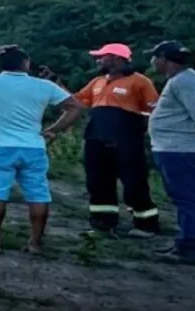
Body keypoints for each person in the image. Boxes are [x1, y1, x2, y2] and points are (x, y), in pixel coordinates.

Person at [0, 45, 86, 254]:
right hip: (33, 147)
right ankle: (35, 244)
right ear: (26, 64)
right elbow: (75, 106)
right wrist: (54, 130)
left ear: (0, 64)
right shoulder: (43, 86)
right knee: (38, 195)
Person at [41, 43, 161, 238]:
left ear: (118, 59)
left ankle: (146, 224)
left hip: (126, 141)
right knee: (98, 183)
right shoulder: (97, 82)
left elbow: (154, 110)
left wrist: (146, 132)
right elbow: (76, 101)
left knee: (134, 183)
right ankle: (102, 224)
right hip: (96, 138)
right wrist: (54, 81)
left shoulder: (140, 82)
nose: (98, 60)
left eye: (102, 57)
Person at [147, 40, 195, 264]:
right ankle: (184, 242)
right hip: (177, 149)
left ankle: (191, 248)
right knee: (184, 199)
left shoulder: (186, 82)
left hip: (184, 150)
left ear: (164, 59)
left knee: (189, 199)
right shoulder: (181, 81)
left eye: (154, 57)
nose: (152, 61)